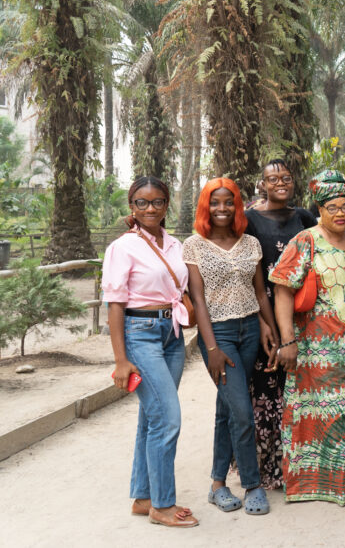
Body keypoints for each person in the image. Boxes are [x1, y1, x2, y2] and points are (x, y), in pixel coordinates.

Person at [269, 170, 345, 505]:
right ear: (319, 210)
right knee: (331, 413)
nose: (340, 213)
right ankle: (327, 484)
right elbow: (283, 290)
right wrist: (287, 341)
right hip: (322, 349)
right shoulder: (305, 240)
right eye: (332, 207)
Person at [102, 176, 197, 528]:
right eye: (141, 202)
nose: (150, 208)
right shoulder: (122, 247)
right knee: (168, 419)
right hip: (139, 334)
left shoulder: (174, 244)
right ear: (132, 206)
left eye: (157, 201)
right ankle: (163, 505)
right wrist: (121, 360)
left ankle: (143, 497)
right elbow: (115, 305)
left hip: (172, 335)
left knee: (152, 417)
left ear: (166, 205)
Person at [183, 178, 275, 515]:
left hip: (250, 329)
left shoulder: (250, 243)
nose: (222, 208)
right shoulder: (194, 245)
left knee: (228, 409)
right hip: (219, 335)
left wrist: (270, 329)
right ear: (205, 206)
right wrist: (211, 349)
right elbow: (198, 300)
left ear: (238, 205)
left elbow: (260, 291)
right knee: (243, 413)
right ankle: (252, 485)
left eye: (229, 202)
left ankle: (217, 484)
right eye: (215, 202)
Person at [244, 159, 317, 489]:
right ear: (263, 185)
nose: (280, 183)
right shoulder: (250, 220)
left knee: (299, 390)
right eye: (272, 179)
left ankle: (301, 462)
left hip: (303, 315)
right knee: (266, 390)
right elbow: (248, 274)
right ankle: (268, 467)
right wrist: (264, 322)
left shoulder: (303, 217)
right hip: (266, 316)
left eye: (285, 178)